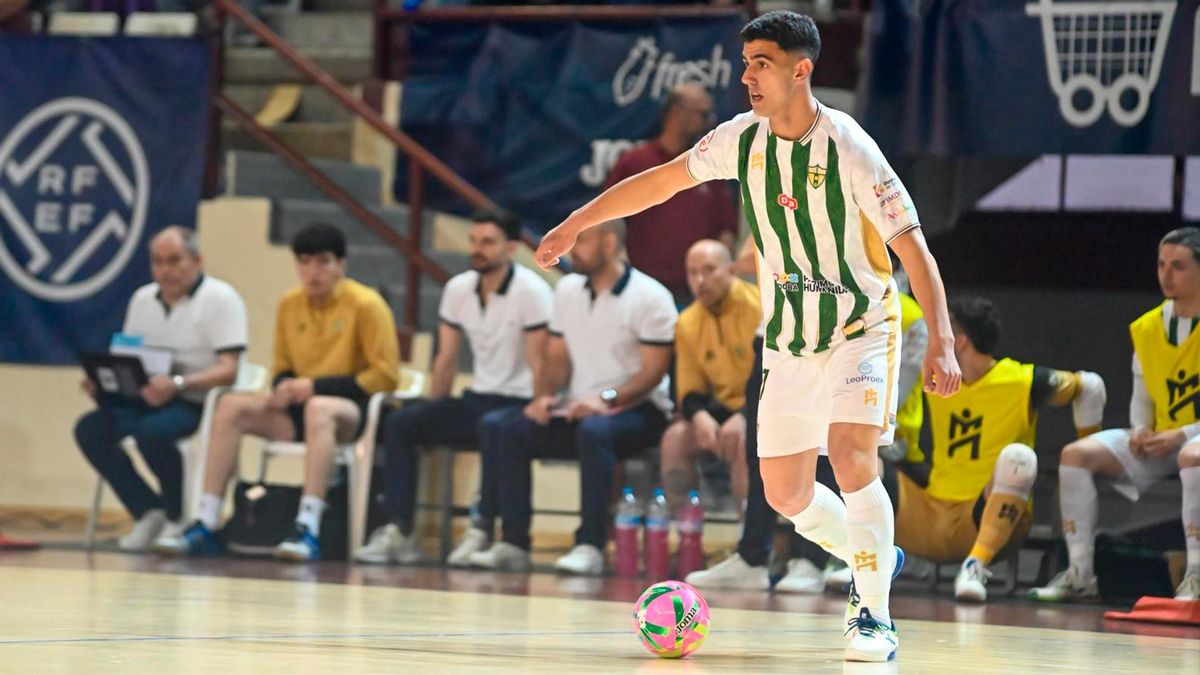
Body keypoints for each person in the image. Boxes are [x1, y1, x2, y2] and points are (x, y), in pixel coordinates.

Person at [534, 11, 961, 662]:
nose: (747, 75)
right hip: (789, 338)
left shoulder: (850, 147)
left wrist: (943, 341)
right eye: (746, 61)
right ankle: (873, 551)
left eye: (761, 61)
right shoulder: (742, 140)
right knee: (784, 492)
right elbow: (662, 180)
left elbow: (914, 248)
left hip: (859, 328)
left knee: (851, 459)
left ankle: (871, 611)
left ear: (801, 70)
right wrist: (577, 221)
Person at [157, 223, 400, 561]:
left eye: (323, 262)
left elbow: (386, 375)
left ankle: (308, 525)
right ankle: (206, 520)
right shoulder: (289, 304)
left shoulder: (366, 305)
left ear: (341, 265)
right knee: (230, 406)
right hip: (298, 407)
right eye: (304, 262)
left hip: (347, 410)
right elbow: (282, 363)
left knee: (320, 408)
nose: (313, 272)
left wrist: (316, 386)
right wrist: (283, 387)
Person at [470, 220, 676, 574]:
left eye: (581, 241)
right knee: (507, 428)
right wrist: (544, 397)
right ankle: (513, 542)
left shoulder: (650, 295)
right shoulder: (567, 290)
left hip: (640, 410)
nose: (571, 248)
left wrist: (607, 400)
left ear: (610, 244)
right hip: (580, 406)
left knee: (595, 433)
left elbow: (652, 372)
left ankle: (590, 545)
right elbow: (557, 357)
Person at [354, 209, 552, 566]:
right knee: (402, 422)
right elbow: (445, 358)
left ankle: (483, 530)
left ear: (510, 248)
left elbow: (540, 360)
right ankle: (398, 530)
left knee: (495, 428)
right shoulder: (458, 288)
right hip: (479, 395)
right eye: (474, 241)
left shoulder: (532, 291)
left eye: (488, 242)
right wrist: (433, 407)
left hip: (518, 400)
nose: (477, 249)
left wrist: (540, 404)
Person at [889, 297, 1105, 602]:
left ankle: (975, 566)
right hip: (929, 516)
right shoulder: (933, 377)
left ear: (959, 342)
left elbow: (1092, 386)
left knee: (1019, 458)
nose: (934, 338)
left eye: (943, 331)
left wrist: (1087, 454)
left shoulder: (1023, 380)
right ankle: (860, 563)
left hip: (988, 518)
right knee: (868, 453)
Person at [1030, 227, 1200, 602]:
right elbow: (1143, 395)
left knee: (1193, 454)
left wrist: (1181, 435)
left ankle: (1195, 576)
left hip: (1189, 441)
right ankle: (1080, 572)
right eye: (1161, 265)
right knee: (1077, 455)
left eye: (1179, 266)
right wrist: (1140, 429)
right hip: (1164, 439)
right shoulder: (1148, 327)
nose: (1166, 275)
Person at [74, 226, 247, 550]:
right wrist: (107, 384)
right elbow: (128, 355)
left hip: (194, 399)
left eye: (174, 261)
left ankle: (177, 514)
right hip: (145, 396)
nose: (165, 271)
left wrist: (180, 384)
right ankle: (147, 511)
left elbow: (229, 369)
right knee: (90, 430)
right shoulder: (142, 299)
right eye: (158, 262)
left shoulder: (221, 299)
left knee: (152, 432)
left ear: (197, 260)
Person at [605, 83, 738, 306]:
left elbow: (726, 230)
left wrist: (721, 282)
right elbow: (608, 221)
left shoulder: (710, 167)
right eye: (703, 114)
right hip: (638, 292)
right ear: (678, 112)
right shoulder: (635, 162)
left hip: (695, 295)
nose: (710, 122)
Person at [661, 239, 759, 515]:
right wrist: (700, 416)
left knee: (744, 440)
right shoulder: (687, 322)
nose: (700, 280)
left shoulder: (761, 307)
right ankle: (685, 532)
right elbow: (690, 387)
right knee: (675, 439)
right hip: (723, 409)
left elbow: (776, 378)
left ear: (731, 270)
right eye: (692, 272)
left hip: (764, 409)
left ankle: (750, 543)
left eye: (709, 270)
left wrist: (744, 417)